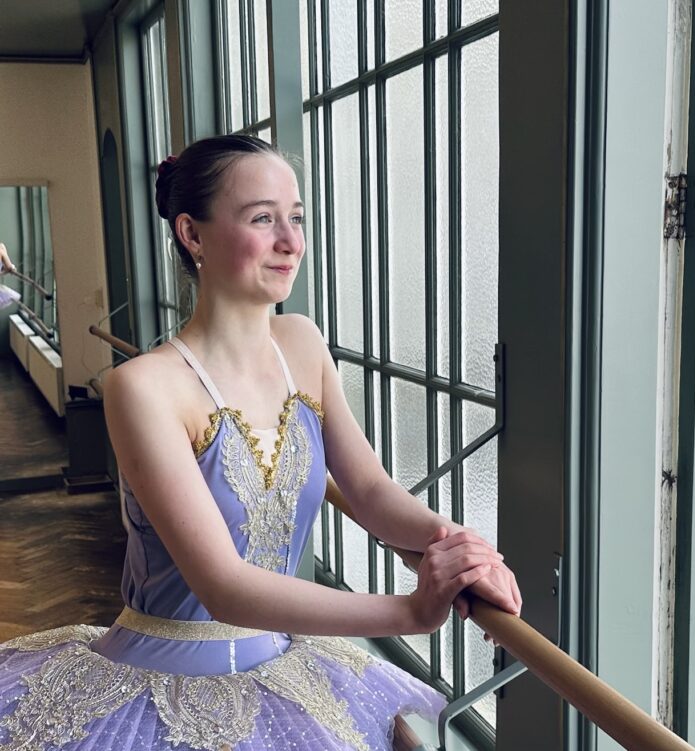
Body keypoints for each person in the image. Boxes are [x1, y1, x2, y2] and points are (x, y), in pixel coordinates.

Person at [0, 135, 521, 750]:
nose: (291, 242)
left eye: (296, 218)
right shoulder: (143, 386)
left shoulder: (301, 342)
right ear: (192, 234)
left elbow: (371, 490)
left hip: (280, 662)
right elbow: (223, 586)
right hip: (161, 679)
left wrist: (465, 550)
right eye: (262, 219)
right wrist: (411, 611)